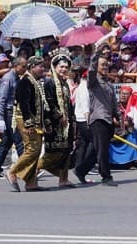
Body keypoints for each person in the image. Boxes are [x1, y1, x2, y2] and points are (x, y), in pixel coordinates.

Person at [7, 57, 46, 192]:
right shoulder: (25, 81)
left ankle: (31, 182)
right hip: (25, 119)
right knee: (32, 149)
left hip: (35, 120)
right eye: (40, 66)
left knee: (36, 150)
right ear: (32, 67)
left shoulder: (34, 81)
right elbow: (24, 103)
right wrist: (28, 124)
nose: (43, 69)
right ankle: (13, 171)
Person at [37, 49, 75, 189]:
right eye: (61, 67)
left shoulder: (64, 84)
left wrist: (72, 120)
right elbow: (49, 102)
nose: (64, 69)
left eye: (66, 67)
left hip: (66, 123)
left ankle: (63, 179)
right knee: (52, 154)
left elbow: (68, 104)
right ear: (55, 67)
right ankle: (28, 172)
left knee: (66, 152)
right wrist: (59, 116)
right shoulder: (49, 83)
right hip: (53, 123)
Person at [83, 50, 120, 185]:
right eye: (102, 65)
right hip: (98, 119)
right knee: (103, 150)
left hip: (108, 119)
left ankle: (80, 170)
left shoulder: (108, 83)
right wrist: (95, 56)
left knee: (95, 150)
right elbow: (91, 70)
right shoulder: (93, 81)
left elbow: (114, 103)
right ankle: (106, 176)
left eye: (106, 65)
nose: (105, 68)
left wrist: (118, 117)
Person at [0, 57, 27, 179]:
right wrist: (0, 118)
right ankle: (26, 169)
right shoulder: (8, 78)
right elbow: (1, 100)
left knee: (6, 143)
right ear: (16, 66)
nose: (25, 69)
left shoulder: (16, 77)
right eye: (23, 66)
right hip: (9, 113)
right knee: (20, 141)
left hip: (13, 111)